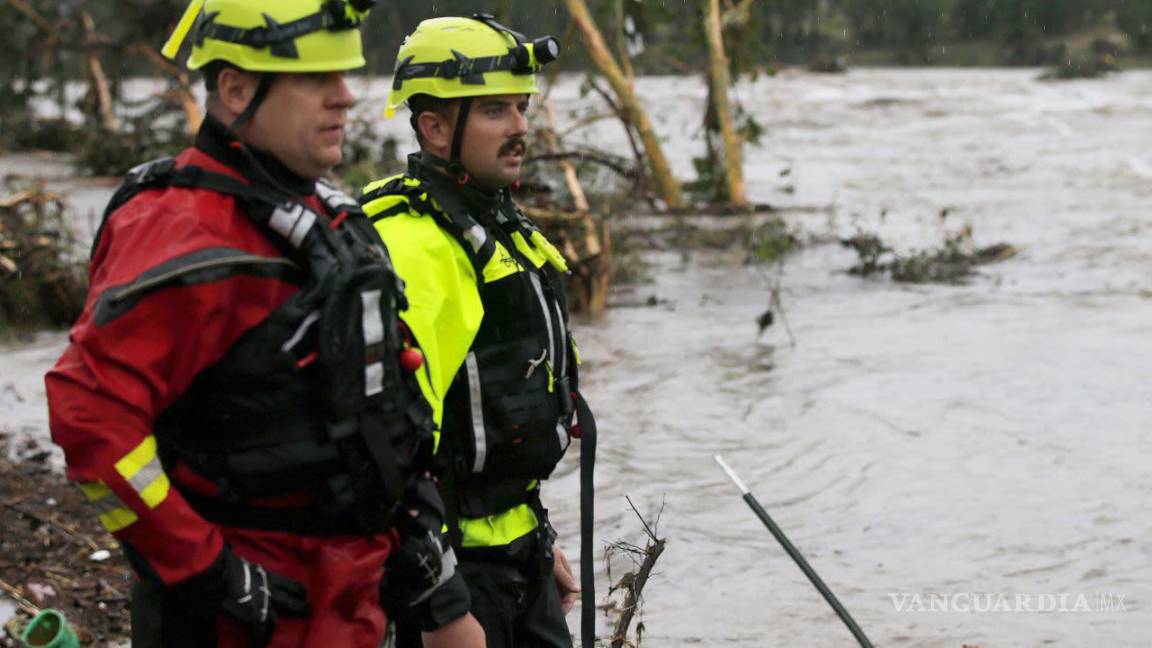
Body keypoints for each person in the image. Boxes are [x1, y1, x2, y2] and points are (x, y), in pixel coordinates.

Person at [43, 1, 484, 646]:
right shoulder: (180, 233)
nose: (345, 96)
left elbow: (388, 419)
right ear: (235, 89)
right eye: (315, 78)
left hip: (352, 603)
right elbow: (91, 417)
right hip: (246, 617)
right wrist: (204, 568)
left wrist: (437, 587)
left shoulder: (333, 219)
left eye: (344, 74)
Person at [359, 15, 596, 648]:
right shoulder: (413, 248)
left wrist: (537, 539)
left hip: (517, 554)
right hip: (452, 578)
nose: (520, 126)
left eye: (521, 107)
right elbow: (390, 452)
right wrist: (441, 609)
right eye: (495, 110)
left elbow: (500, 419)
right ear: (435, 128)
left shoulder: (491, 224)